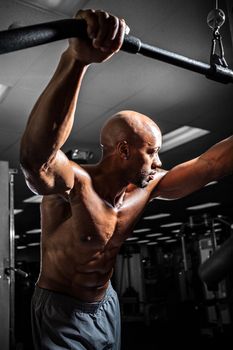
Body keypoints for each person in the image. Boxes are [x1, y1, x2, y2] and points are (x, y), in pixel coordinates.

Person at [20, 8, 233, 350]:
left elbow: (212, 164)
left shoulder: (148, 188)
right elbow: (36, 160)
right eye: (152, 152)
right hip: (61, 311)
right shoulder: (74, 186)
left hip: (106, 305)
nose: (159, 162)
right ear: (123, 150)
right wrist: (76, 61)